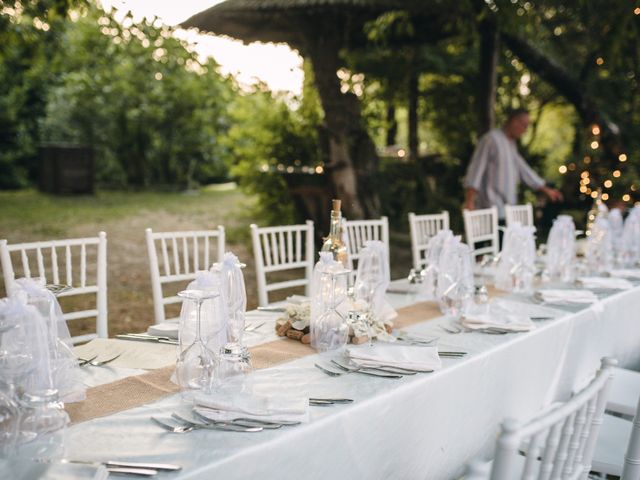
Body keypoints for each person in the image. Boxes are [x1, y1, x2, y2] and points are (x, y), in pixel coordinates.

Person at [463, 108, 563, 219]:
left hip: (507, 211)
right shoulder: (491, 139)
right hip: (490, 210)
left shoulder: (511, 145)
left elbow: (524, 170)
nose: (525, 130)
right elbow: (476, 170)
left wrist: (545, 189)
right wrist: (469, 201)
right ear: (514, 121)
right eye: (524, 126)